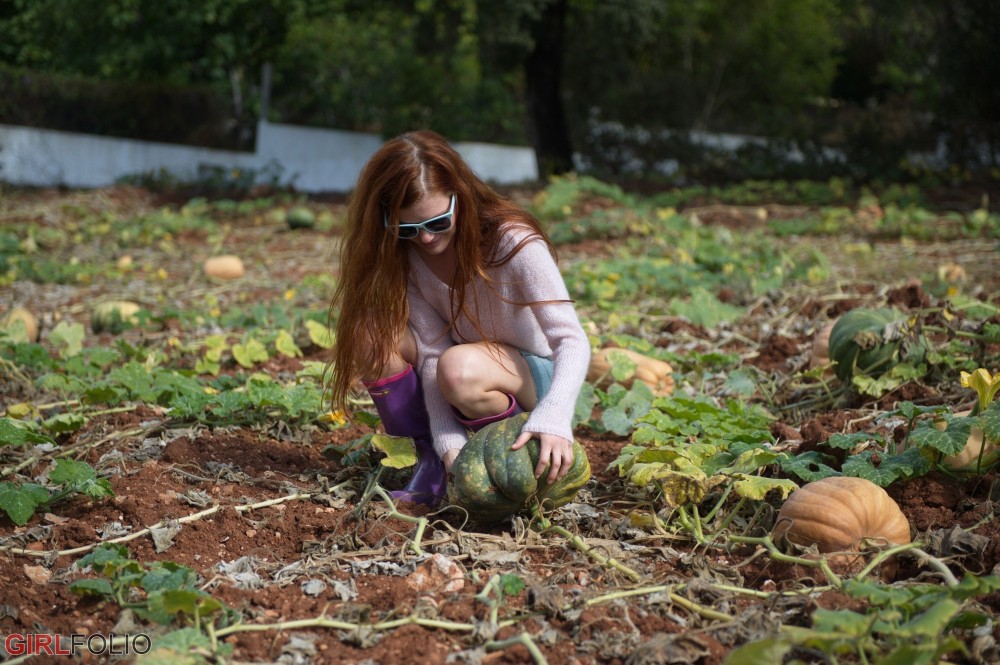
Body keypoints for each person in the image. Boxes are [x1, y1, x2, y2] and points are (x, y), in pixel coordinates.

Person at [327, 130, 590, 506]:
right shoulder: (412, 257)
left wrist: (554, 415)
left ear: (460, 197)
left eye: (437, 223)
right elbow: (432, 354)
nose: (426, 239)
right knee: (370, 334)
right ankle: (429, 462)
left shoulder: (513, 242)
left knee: (460, 368)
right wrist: (448, 445)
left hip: (536, 379)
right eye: (407, 229)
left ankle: (503, 460)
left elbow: (571, 339)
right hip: (462, 376)